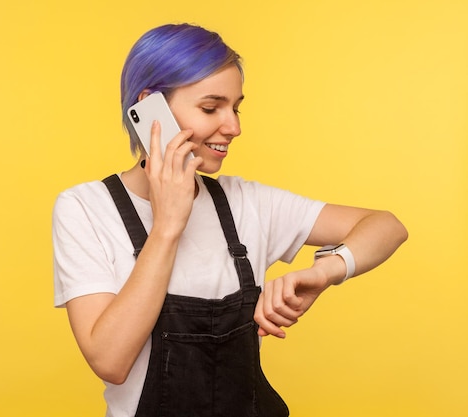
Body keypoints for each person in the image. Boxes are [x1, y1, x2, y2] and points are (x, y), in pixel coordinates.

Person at [52, 23, 408, 417]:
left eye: (235, 107)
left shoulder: (246, 202)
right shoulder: (84, 208)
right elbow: (110, 361)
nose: (234, 127)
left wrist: (326, 272)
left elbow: (387, 226)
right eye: (211, 107)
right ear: (150, 108)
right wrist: (168, 225)